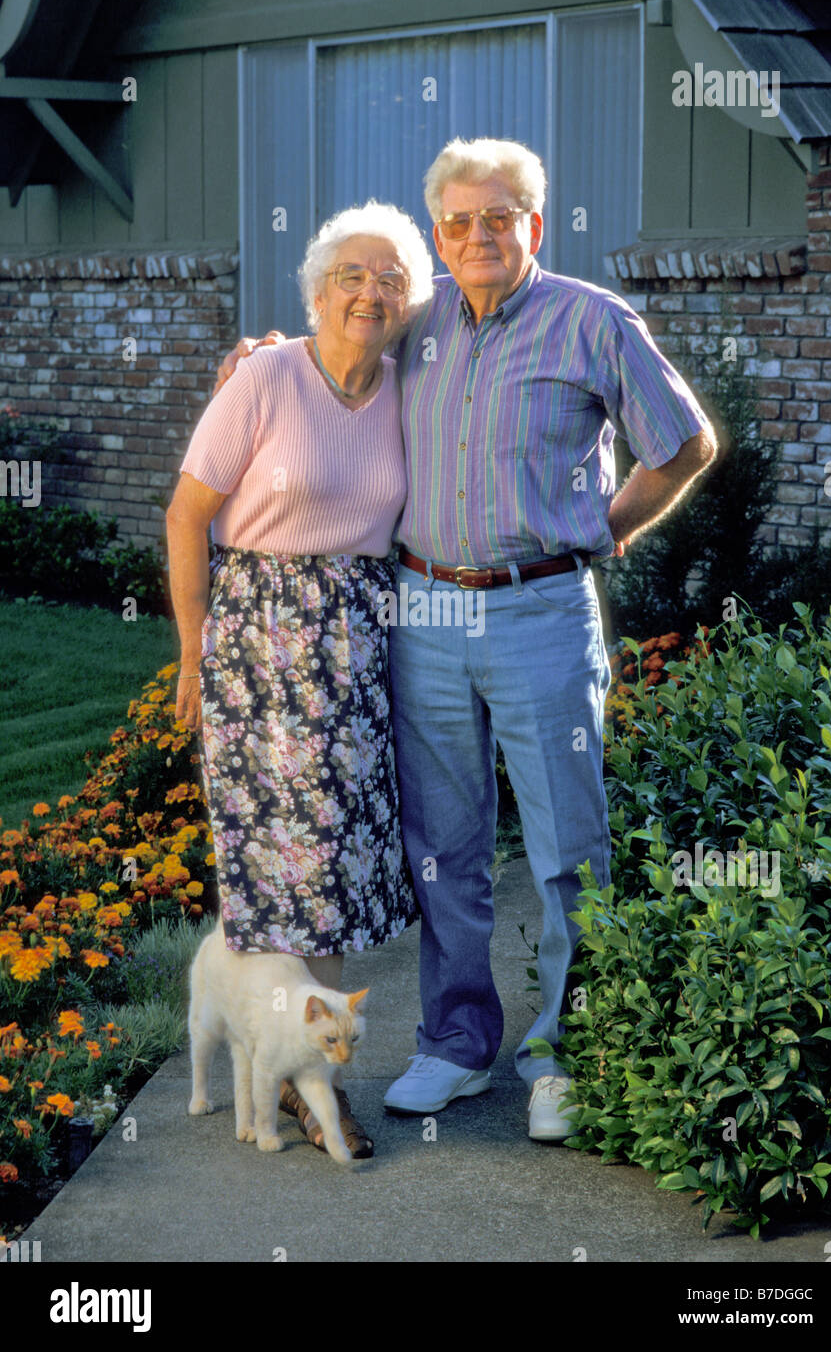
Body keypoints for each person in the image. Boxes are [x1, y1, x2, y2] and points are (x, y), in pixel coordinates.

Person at [216, 137, 717, 1142]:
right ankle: (454, 1043)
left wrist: (603, 529)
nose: (477, 236)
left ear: (533, 224)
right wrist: (263, 361)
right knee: (445, 850)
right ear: (436, 230)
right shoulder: (416, 318)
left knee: (565, 846)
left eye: (499, 218)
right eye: (457, 221)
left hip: (537, 612)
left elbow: (686, 443)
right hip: (424, 618)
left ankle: (565, 1053)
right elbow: (337, 350)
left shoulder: (590, 321)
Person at [166, 200, 434, 1157]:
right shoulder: (266, 376)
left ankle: (287, 1055)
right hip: (261, 647)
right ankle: (306, 1070)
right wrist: (194, 648)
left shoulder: (409, 385)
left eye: (390, 278)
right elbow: (187, 512)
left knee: (333, 871)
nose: (370, 292)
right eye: (351, 276)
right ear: (318, 288)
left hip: (359, 647)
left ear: (410, 300)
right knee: (289, 865)